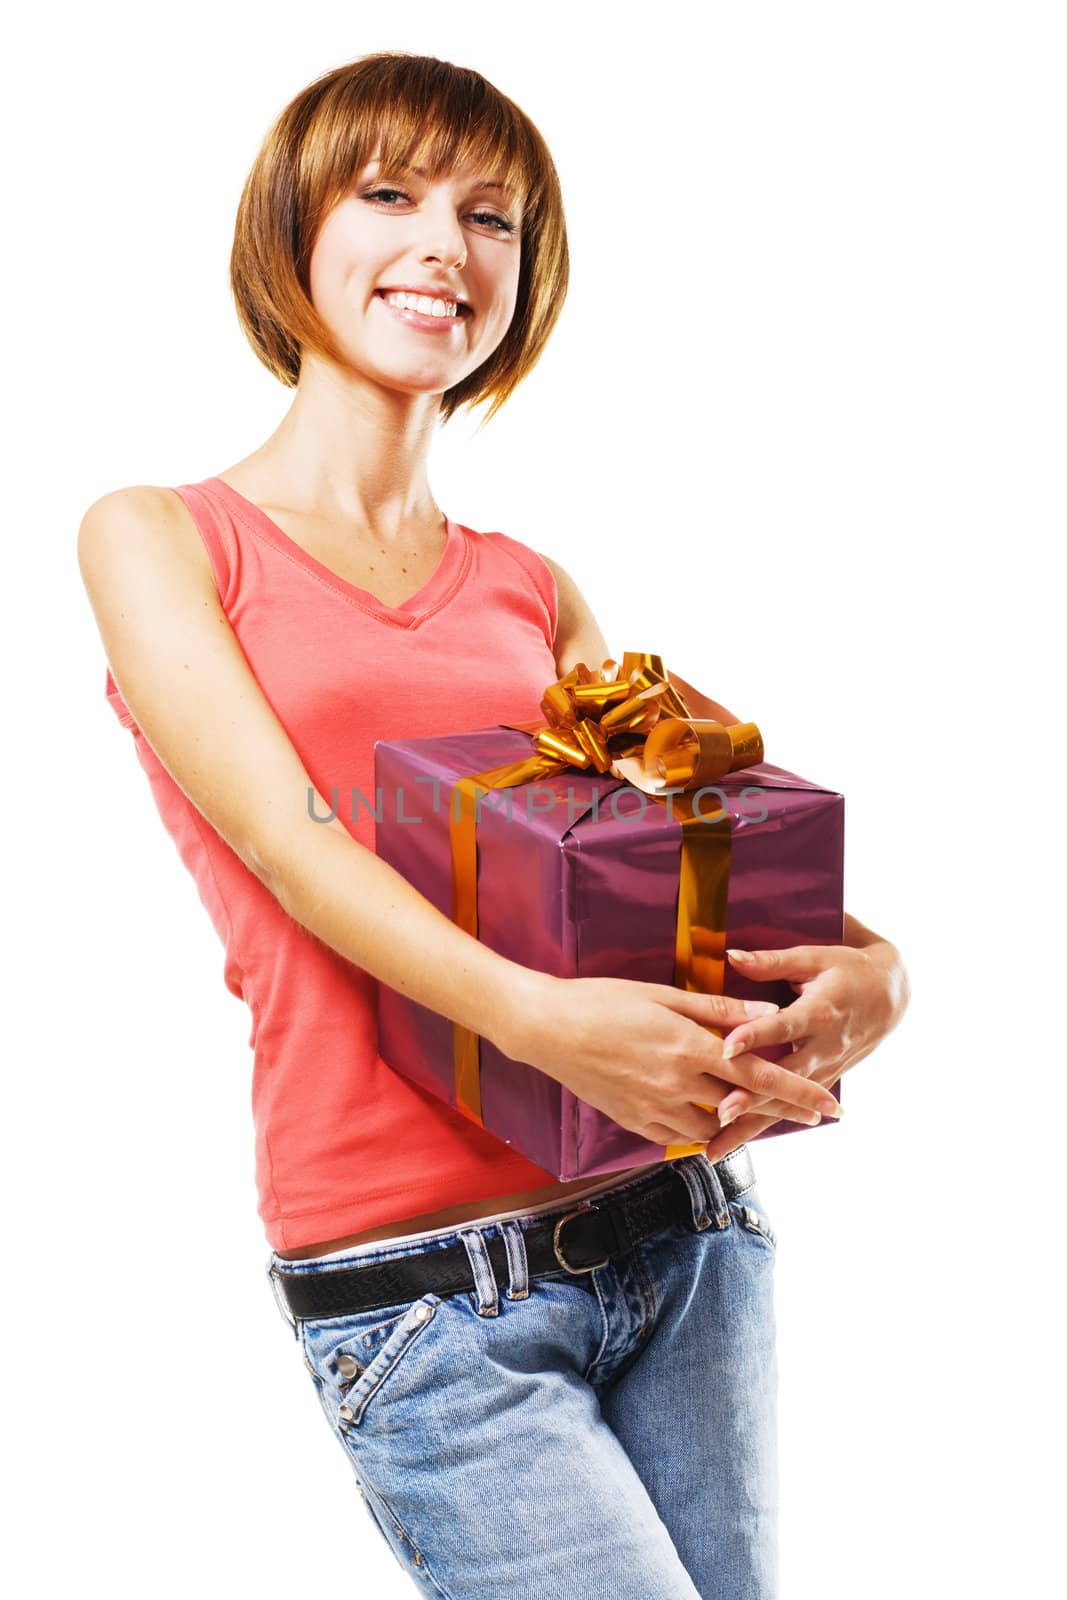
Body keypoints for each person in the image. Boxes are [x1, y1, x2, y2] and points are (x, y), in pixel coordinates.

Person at [78, 51, 909, 1600]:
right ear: (291, 235)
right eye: (389, 195)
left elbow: (694, 845)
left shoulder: (533, 587)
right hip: (419, 1294)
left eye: (493, 218)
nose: (447, 247)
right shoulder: (161, 539)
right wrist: (543, 1021)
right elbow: (288, 838)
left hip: (682, 1236)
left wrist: (870, 971)